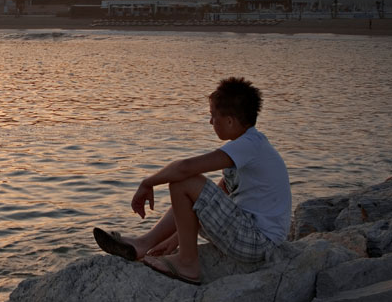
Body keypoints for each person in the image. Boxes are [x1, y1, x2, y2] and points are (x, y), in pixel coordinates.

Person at [93, 77, 291, 285]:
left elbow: (184, 168)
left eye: (213, 117)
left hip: (258, 243)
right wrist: (175, 239)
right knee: (189, 185)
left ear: (230, 121)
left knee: (183, 181)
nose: (210, 122)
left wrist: (148, 182)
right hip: (249, 236)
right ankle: (143, 244)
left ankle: (187, 263)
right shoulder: (246, 147)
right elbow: (213, 200)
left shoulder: (250, 145)